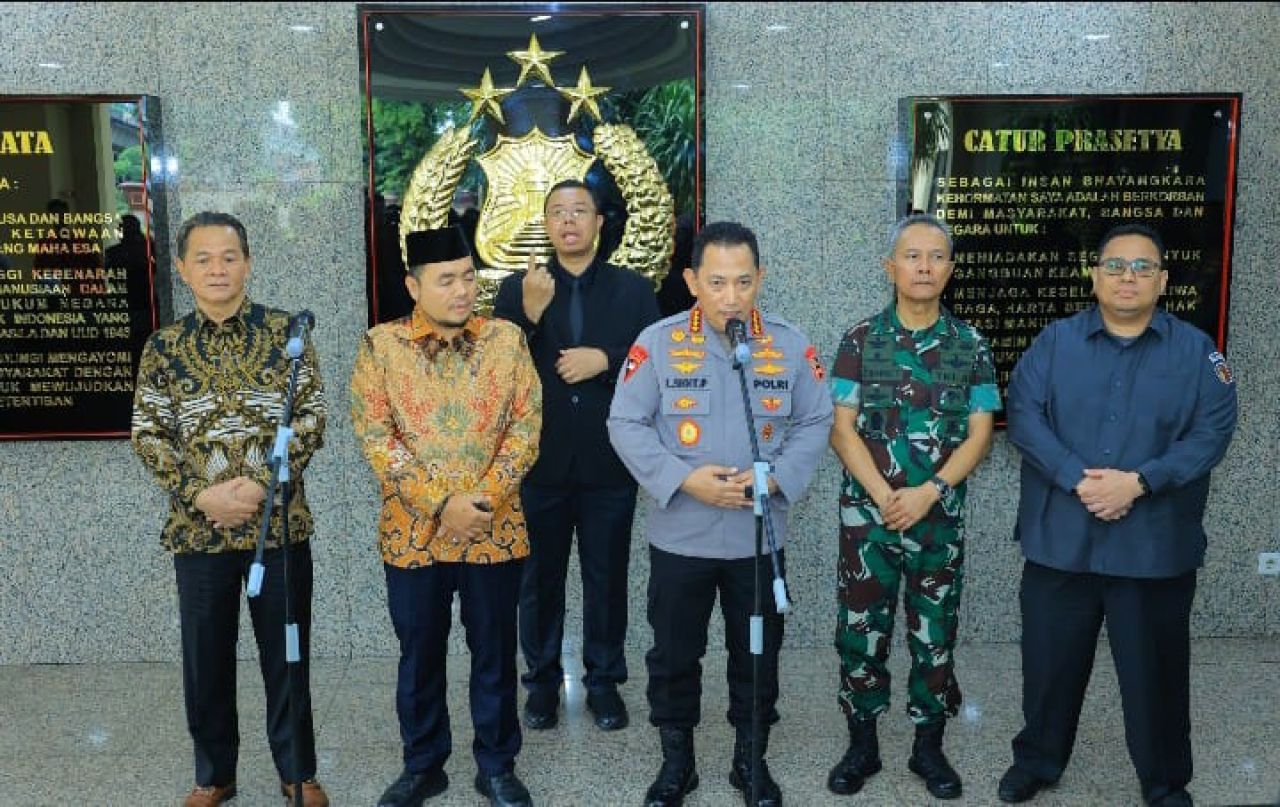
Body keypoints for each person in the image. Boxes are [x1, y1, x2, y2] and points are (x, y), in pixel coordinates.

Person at [997, 223, 1238, 806]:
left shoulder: (1197, 353)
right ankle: (1038, 762)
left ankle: (1164, 781)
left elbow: (1212, 432)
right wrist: (1077, 477)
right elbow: (1024, 413)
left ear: (1163, 280)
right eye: (1115, 265)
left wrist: (1140, 482)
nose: (1128, 277)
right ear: (1094, 275)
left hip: (1152, 547)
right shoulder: (1055, 342)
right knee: (1049, 668)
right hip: (1061, 540)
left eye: (1142, 267)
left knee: (1156, 675)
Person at [608, 221, 833, 807]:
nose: (731, 296)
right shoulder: (657, 342)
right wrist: (685, 479)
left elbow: (816, 419)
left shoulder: (788, 344)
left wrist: (776, 477)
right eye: (716, 282)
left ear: (760, 279)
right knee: (673, 655)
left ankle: (749, 762)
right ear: (691, 281)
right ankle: (676, 764)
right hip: (682, 537)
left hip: (757, 541)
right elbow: (625, 422)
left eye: (743, 282)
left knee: (756, 653)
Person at [131, 211, 328, 807]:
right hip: (199, 534)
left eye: (229, 256)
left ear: (248, 262)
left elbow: (311, 417)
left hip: (278, 528)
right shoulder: (164, 348)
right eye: (204, 259)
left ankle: (298, 771)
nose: (217, 269)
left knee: (287, 655)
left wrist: (261, 488)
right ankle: (214, 775)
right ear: (182, 269)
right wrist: (201, 494)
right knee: (206, 659)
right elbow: (149, 433)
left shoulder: (287, 333)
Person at [351, 225, 541, 807]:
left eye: (467, 277)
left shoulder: (507, 340)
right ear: (414, 286)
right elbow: (377, 438)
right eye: (445, 280)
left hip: (492, 528)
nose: (461, 291)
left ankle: (497, 766)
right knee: (420, 656)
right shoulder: (381, 346)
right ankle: (423, 765)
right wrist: (441, 504)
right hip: (414, 533)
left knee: (494, 653)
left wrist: (481, 501)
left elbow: (526, 430)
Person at [826, 213, 999, 801]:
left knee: (935, 634)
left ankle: (929, 747)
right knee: (861, 631)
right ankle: (862, 744)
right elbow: (842, 430)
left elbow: (979, 434)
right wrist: (884, 496)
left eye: (936, 257)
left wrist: (929, 492)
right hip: (868, 522)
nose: (924, 267)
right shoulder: (860, 340)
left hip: (937, 522)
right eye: (912, 256)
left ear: (950, 269)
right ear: (890, 267)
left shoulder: (970, 345)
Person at [494, 179, 660, 733]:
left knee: (607, 579)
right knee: (538, 581)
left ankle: (604, 683)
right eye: (557, 212)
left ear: (599, 222)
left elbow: (657, 364)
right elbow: (494, 369)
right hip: (539, 463)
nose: (568, 221)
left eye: (579, 211)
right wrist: (529, 314)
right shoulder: (519, 288)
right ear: (546, 224)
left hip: (609, 462)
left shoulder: (634, 290)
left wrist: (606, 360)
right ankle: (541, 683)